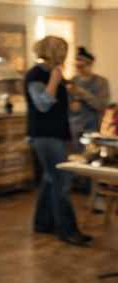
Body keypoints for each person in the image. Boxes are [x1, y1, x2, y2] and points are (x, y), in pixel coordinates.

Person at [25, 35, 92, 246]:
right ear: (48, 50)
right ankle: (68, 230)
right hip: (45, 136)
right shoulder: (35, 74)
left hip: (58, 134)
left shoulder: (56, 74)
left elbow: (63, 108)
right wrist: (54, 80)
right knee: (61, 181)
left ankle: (43, 223)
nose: (65, 53)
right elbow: (42, 104)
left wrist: (73, 98)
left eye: (65, 48)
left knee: (50, 178)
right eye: (60, 48)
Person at [67, 46, 110, 150]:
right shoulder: (72, 81)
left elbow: (101, 105)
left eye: (81, 66)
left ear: (89, 65)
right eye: (76, 66)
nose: (78, 69)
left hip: (92, 128)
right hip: (74, 128)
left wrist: (83, 92)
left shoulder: (100, 82)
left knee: (90, 153)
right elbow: (70, 105)